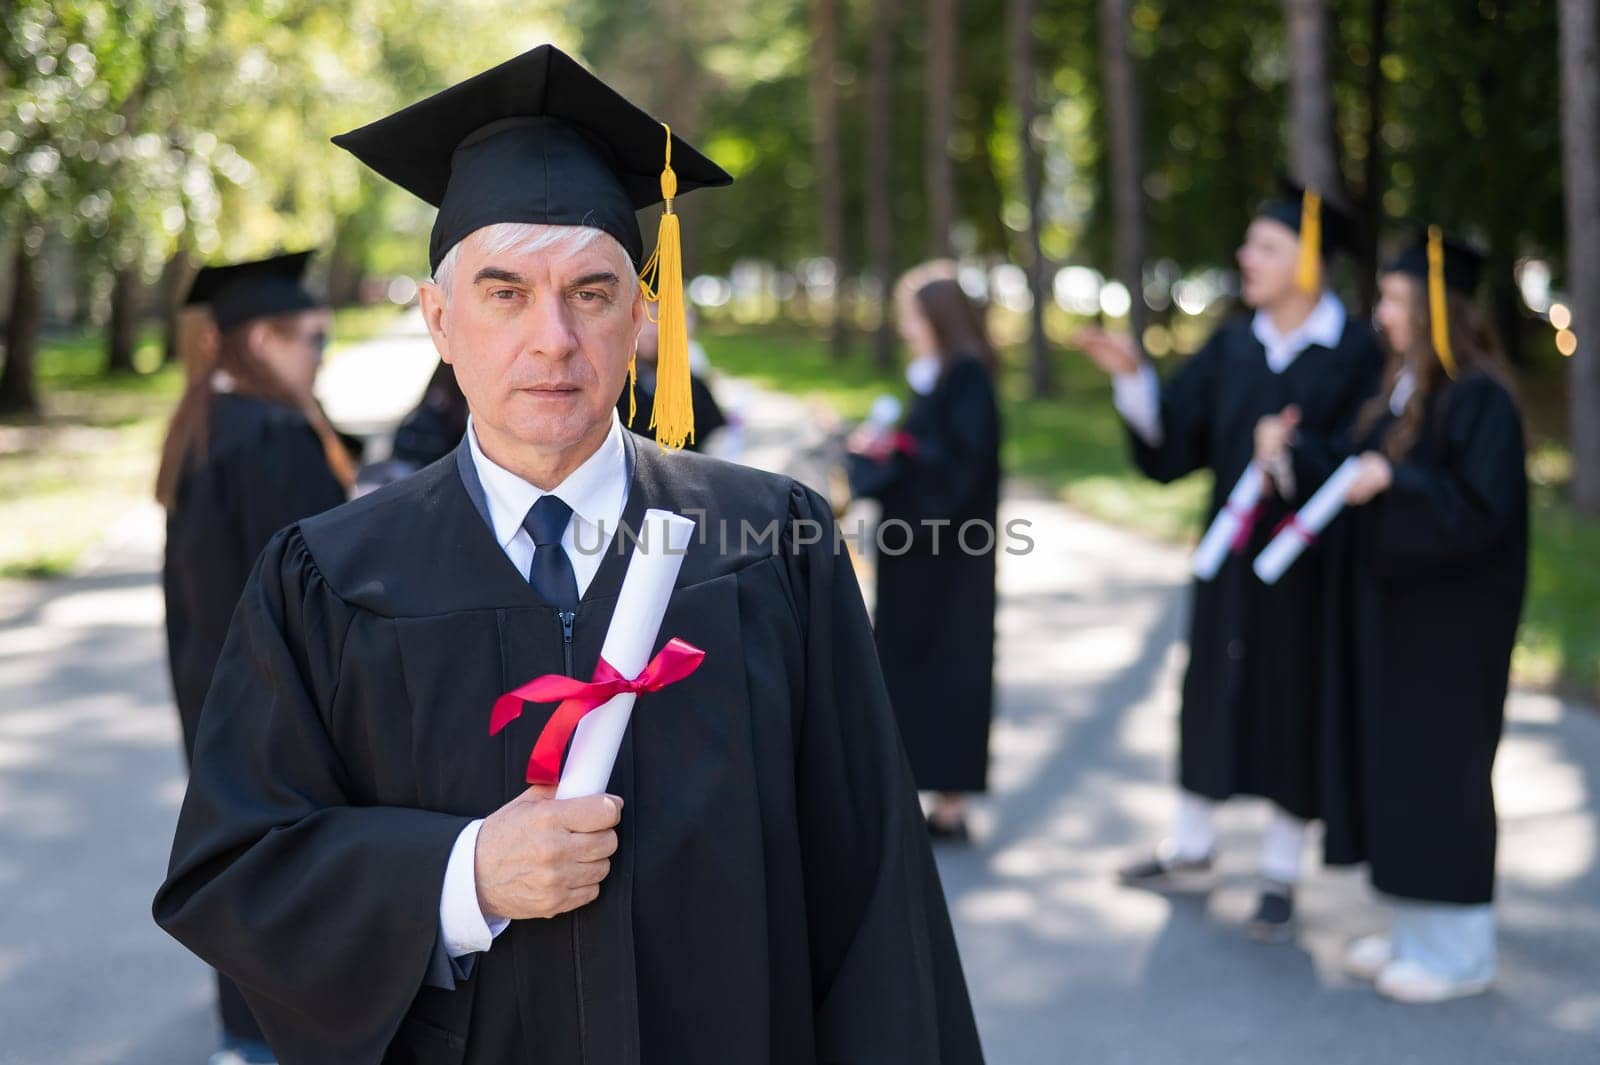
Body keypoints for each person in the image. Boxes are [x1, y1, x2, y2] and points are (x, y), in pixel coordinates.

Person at [153, 45, 983, 1065]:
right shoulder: (326, 577)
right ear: (439, 320)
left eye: (591, 293)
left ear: (642, 315)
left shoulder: (773, 546)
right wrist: (460, 877)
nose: (553, 339)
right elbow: (234, 872)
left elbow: (876, 900)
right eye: (504, 293)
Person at [1073, 181, 1384, 940]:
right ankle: (1193, 846)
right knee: (1211, 685)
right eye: (1249, 244)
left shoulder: (1354, 353)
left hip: (1309, 563)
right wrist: (1131, 378)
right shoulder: (1236, 342)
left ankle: (1280, 869)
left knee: (1293, 694)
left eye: (1266, 247)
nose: (1246, 257)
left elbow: (1359, 452)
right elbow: (1174, 439)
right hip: (1231, 554)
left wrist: (1292, 459)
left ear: (1309, 262)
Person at [1259, 228, 1526, 1002]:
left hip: (1449, 633)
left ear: (1441, 310)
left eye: (1399, 300)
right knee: (1398, 770)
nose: (1383, 314)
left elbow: (1481, 513)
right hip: (1397, 625)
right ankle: (1416, 930)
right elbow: (1351, 467)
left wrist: (1393, 483)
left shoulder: (1479, 400)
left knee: (1440, 776)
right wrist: (1290, 453)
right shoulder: (1404, 390)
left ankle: (1460, 951)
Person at [155, 250, 355, 1065]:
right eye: (313, 338)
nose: (320, 354)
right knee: (296, 869)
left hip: (213, 687)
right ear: (266, 340)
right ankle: (270, 1041)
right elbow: (319, 588)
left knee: (243, 855)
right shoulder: (273, 436)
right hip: (278, 695)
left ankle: (244, 1036)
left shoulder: (209, 421)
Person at [847, 262, 1001, 841]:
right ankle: (915, 796)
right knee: (908, 667)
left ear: (938, 315)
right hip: (916, 554)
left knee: (952, 669)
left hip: (953, 558)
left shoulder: (968, 377)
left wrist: (897, 452)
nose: (906, 325)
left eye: (912, 313)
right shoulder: (933, 377)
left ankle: (952, 806)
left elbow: (963, 468)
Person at [615, 311, 727, 451]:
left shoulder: (692, 386)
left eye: (659, 322)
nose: (652, 332)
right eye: (647, 322)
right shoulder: (617, 387)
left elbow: (715, 436)